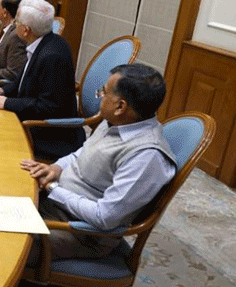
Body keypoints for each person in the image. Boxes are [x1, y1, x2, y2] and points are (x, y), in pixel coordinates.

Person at [21, 64, 176, 261]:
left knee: (0, 241)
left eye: (104, 92)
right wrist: (57, 167)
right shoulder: (118, 121)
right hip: (55, 203)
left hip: (82, 234)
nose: (100, 96)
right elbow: (83, 153)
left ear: (121, 106)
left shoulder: (146, 157)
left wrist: (52, 188)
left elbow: (105, 217)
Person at [0, 0, 84, 160]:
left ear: (26, 30)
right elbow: (24, 83)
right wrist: (2, 90)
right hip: (31, 118)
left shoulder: (52, 56)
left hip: (49, 134)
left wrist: (7, 102)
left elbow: (49, 106)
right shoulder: (42, 42)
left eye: (17, 23)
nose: (14, 25)